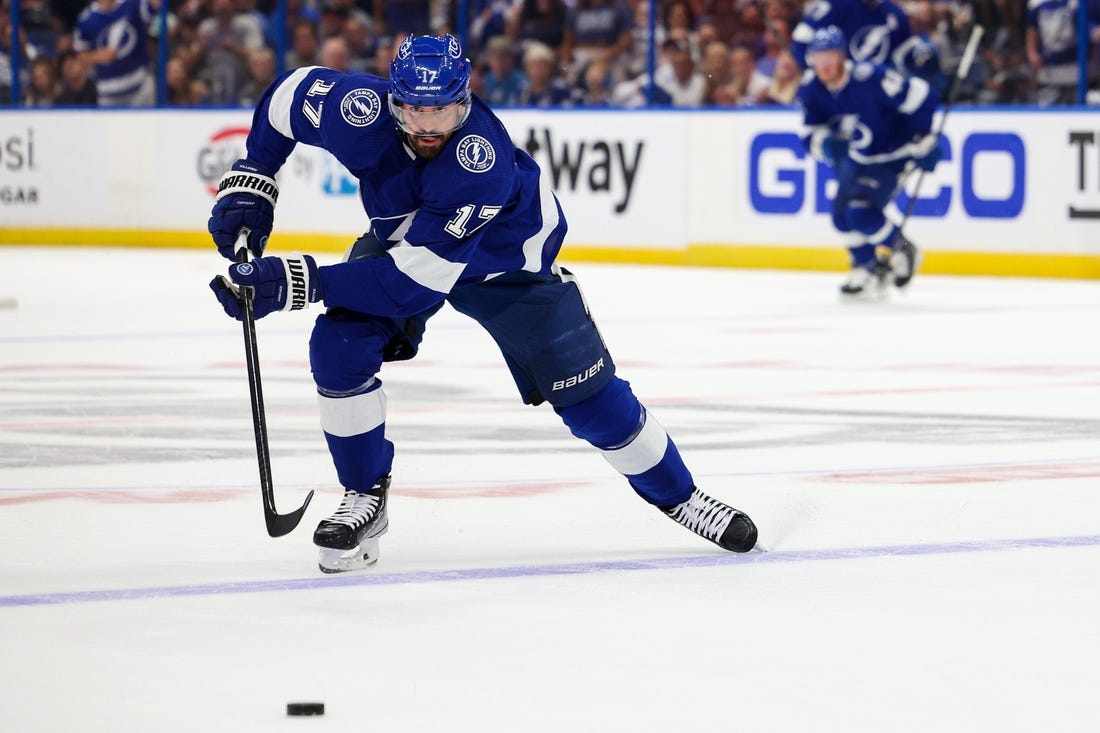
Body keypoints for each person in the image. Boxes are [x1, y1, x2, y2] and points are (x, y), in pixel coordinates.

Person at [207, 33, 759, 573]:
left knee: (588, 398)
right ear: (391, 99)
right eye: (414, 110)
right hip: (412, 242)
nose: (428, 126)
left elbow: (411, 286)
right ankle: (364, 497)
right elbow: (288, 95)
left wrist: (297, 281)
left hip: (505, 268)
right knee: (338, 345)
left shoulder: (479, 163)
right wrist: (255, 176)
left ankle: (681, 497)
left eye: (443, 111)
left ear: (464, 100)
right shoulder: (359, 109)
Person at [796, 25, 942, 295]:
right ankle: (868, 266)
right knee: (840, 218)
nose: (825, 65)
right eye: (819, 59)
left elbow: (922, 94)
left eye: (830, 57)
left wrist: (923, 138)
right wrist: (825, 145)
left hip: (892, 155)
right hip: (859, 159)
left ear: (842, 56)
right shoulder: (811, 90)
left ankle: (904, 249)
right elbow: (808, 134)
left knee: (859, 213)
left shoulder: (871, 78)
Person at [72, 0, 158, 106]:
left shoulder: (132, 4)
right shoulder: (86, 19)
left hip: (140, 85)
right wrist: (97, 56)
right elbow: (81, 56)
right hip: (109, 91)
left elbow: (154, 6)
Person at [790, 0, 912, 71]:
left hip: (878, 90)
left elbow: (903, 55)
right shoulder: (833, 5)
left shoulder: (896, 15)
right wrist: (814, 68)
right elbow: (800, 39)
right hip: (837, 84)